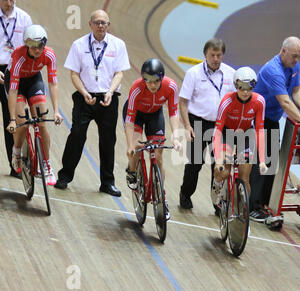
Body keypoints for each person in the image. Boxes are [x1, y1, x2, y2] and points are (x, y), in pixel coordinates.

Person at [54, 10, 130, 196]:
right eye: (97, 22)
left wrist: (111, 92)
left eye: (104, 23)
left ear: (108, 25)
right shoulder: (79, 44)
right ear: (90, 24)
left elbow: (119, 73)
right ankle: (64, 176)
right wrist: (85, 93)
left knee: (108, 140)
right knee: (77, 135)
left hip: (108, 98)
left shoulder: (118, 45)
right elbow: (74, 73)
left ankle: (107, 182)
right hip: (84, 98)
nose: (100, 26)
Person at [249, 36, 300, 222]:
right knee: (261, 161)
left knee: (272, 163)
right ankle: (252, 207)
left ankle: (264, 204)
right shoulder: (273, 70)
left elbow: (296, 91)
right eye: (294, 56)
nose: (297, 60)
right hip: (258, 118)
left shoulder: (293, 66)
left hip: (271, 117)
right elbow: (285, 102)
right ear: (283, 51)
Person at [178, 38, 235, 214]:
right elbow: (183, 101)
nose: (216, 59)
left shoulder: (231, 74)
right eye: (212, 55)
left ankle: (218, 203)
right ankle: (185, 194)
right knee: (195, 163)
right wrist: (187, 126)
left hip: (222, 125)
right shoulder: (193, 73)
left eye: (219, 55)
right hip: (198, 122)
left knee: (219, 165)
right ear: (205, 55)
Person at [123, 58, 181, 220]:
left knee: (159, 155)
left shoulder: (171, 87)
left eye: (156, 81)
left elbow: (173, 113)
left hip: (155, 116)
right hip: (136, 117)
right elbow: (129, 120)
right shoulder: (136, 88)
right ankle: (132, 172)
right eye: (148, 81)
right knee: (134, 148)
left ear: (161, 78)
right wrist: (130, 146)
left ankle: (161, 197)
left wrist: (176, 137)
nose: (152, 85)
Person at [5, 24, 62, 185]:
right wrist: (12, 120)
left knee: (42, 122)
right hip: (16, 83)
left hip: (33, 81)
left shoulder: (49, 55)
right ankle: (16, 152)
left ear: (45, 44)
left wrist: (57, 111)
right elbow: (13, 91)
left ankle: (46, 163)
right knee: (22, 124)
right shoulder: (18, 56)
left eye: (40, 46)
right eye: (33, 46)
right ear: (26, 45)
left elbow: (53, 84)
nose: (37, 50)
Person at [211, 66, 268, 206]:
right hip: (227, 134)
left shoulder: (259, 101)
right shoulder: (227, 101)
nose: (245, 91)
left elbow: (260, 130)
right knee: (224, 170)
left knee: (245, 177)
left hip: (245, 136)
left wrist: (262, 161)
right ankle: (217, 184)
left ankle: (244, 211)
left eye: (250, 87)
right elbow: (217, 131)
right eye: (241, 87)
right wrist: (218, 160)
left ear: (254, 86)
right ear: (236, 85)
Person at [0, 0, 32, 179]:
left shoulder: (24, 18)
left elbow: (29, 49)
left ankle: (15, 165)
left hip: (13, 71)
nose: (9, 2)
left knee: (11, 120)